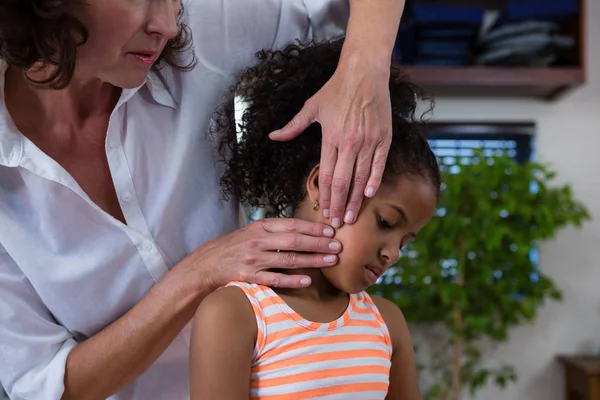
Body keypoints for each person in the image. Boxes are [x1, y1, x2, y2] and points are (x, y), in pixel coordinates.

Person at [0, 1, 407, 399]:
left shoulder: (197, 34)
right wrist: (200, 272)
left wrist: (364, 73)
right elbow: (50, 385)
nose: (169, 24)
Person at [189, 40, 441, 400]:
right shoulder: (236, 314)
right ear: (323, 184)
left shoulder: (386, 324)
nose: (393, 255)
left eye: (405, 242)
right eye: (386, 222)